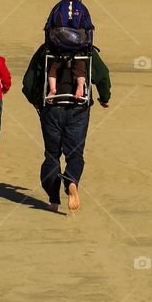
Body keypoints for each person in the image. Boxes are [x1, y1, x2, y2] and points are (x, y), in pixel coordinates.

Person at [23, 40, 111, 213]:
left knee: (51, 155)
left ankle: (54, 201)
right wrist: (104, 98)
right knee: (75, 154)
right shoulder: (87, 50)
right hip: (78, 108)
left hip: (51, 107)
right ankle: (71, 180)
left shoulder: (45, 50)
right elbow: (103, 76)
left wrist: (36, 101)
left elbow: (28, 82)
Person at [45, 0, 95, 101]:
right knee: (80, 66)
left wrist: (48, 46)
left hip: (59, 45)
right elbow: (89, 27)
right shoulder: (82, 8)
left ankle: (52, 89)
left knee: (53, 68)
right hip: (78, 44)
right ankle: (80, 85)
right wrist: (89, 46)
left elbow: (48, 26)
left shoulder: (58, 6)